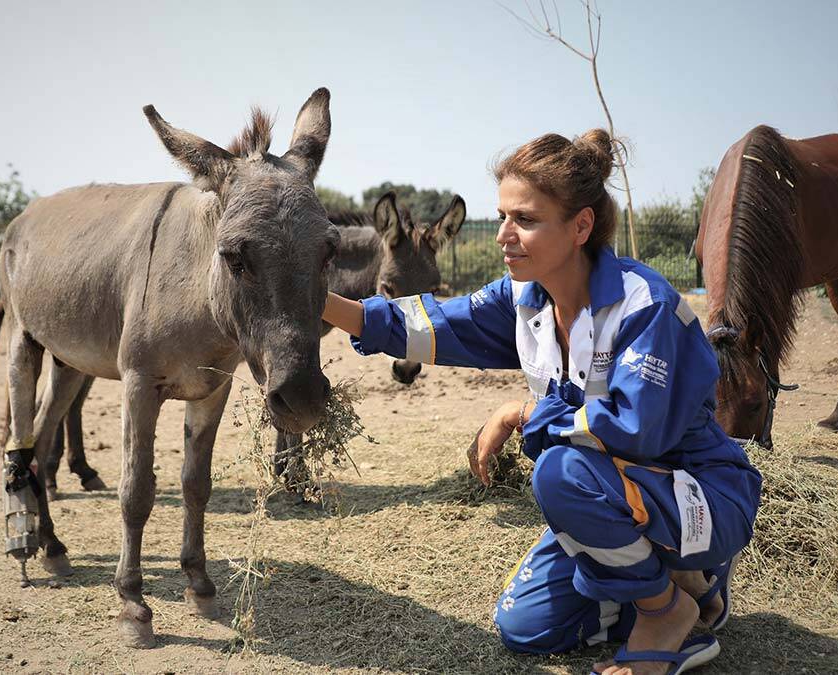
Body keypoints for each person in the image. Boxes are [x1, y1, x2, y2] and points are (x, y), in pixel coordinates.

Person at [321, 129, 762, 675]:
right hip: (613, 496)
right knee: (523, 626)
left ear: (581, 226)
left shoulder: (642, 305)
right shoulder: (523, 297)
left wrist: (522, 412)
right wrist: (317, 301)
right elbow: (429, 323)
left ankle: (666, 610)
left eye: (524, 220)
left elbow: (629, 429)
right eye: (503, 215)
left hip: (697, 498)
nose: (504, 234)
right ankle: (688, 591)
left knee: (559, 473)